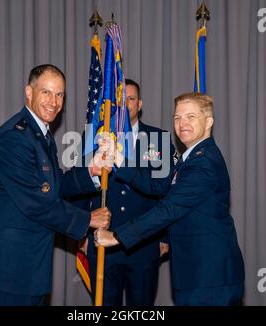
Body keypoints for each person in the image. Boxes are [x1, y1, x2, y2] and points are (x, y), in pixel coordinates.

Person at [0, 64, 111, 306]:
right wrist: (87, 219)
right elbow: (35, 203)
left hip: (29, 268)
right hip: (7, 271)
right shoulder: (14, 138)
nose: (54, 102)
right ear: (29, 91)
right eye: (46, 92)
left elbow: (52, 185)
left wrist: (91, 171)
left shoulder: (40, 134)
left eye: (60, 95)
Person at [95, 92, 245, 306]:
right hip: (196, 273)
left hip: (209, 276)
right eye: (177, 117)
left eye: (191, 116)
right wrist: (117, 157)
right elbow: (156, 184)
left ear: (209, 122)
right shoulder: (191, 158)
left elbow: (168, 209)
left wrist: (117, 237)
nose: (182, 123)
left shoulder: (203, 163)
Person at [61, 79, 176, 305]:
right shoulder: (95, 137)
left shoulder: (158, 138)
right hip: (102, 241)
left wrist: (164, 236)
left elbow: (166, 191)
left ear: (140, 104)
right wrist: (82, 232)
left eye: (131, 99)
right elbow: (80, 188)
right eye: (119, 101)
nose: (125, 105)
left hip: (145, 242)